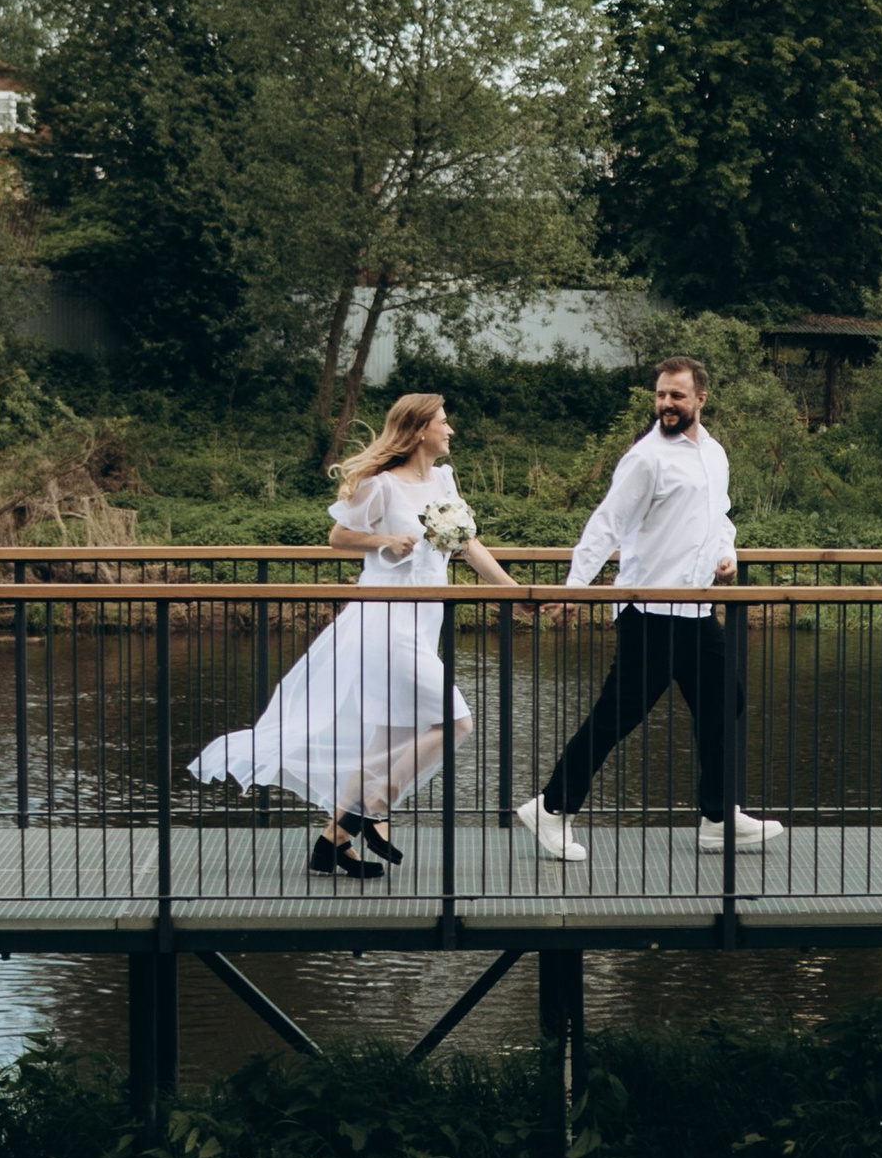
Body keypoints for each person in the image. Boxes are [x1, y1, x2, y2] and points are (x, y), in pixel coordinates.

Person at [191, 391, 519, 878]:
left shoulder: (446, 480)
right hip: (385, 618)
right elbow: (339, 537)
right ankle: (371, 806)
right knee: (456, 722)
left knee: (386, 736)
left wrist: (516, 591)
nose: (451, 430)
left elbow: (469, 545)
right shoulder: (382, 486)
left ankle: (332, 845)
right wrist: (386, 539)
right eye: (444, 422)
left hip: (425, 618)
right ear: (419, 430)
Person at [516, 354, 785, 861]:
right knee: (616, 717)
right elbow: (605, 525)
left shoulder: (714, 454)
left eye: (677, 395)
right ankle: (550, 808)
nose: (666, 403)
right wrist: (575, 589)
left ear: (700, 399)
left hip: (696, 613)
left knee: (725, 703)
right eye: (661, 394)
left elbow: (719, 517)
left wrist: (726, 556)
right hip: (649, 615)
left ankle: (718, 817)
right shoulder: (647, 458)